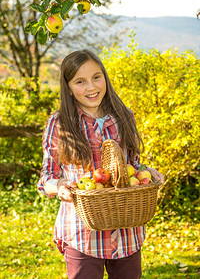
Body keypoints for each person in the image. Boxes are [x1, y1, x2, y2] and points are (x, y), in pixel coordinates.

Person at [37, 49, 164, 279]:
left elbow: (131, 164)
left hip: (126, 228)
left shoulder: (124, 116)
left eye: (96, 77)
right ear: (68, 88)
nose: (91, 87)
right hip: (82, 232)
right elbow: (47, 177)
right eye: (80, 81)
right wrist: (61, 186)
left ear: (104, 77)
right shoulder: (59, 124)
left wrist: (146, 171)